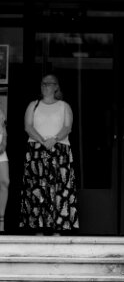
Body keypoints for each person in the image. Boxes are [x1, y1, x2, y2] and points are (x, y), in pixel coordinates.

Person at [19, 74, 78, 233]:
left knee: (58, 190)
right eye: (43, 83)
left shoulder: (64, 106)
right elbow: (28, 127)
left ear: (56, 86)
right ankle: (38, 228)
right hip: (36, 151)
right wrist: (42, 140)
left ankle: (57, 229)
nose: (46, 86)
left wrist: (54, 139)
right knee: (37, 189)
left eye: (49, 83)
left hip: (59, 150)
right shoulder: (34, 105)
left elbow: (67, 127)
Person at [0, 106, 9, 231]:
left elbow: (4, 132)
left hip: (1, 152)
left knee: (5, 182)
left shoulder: (0, 112)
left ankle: (1, 220)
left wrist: (3, 144)